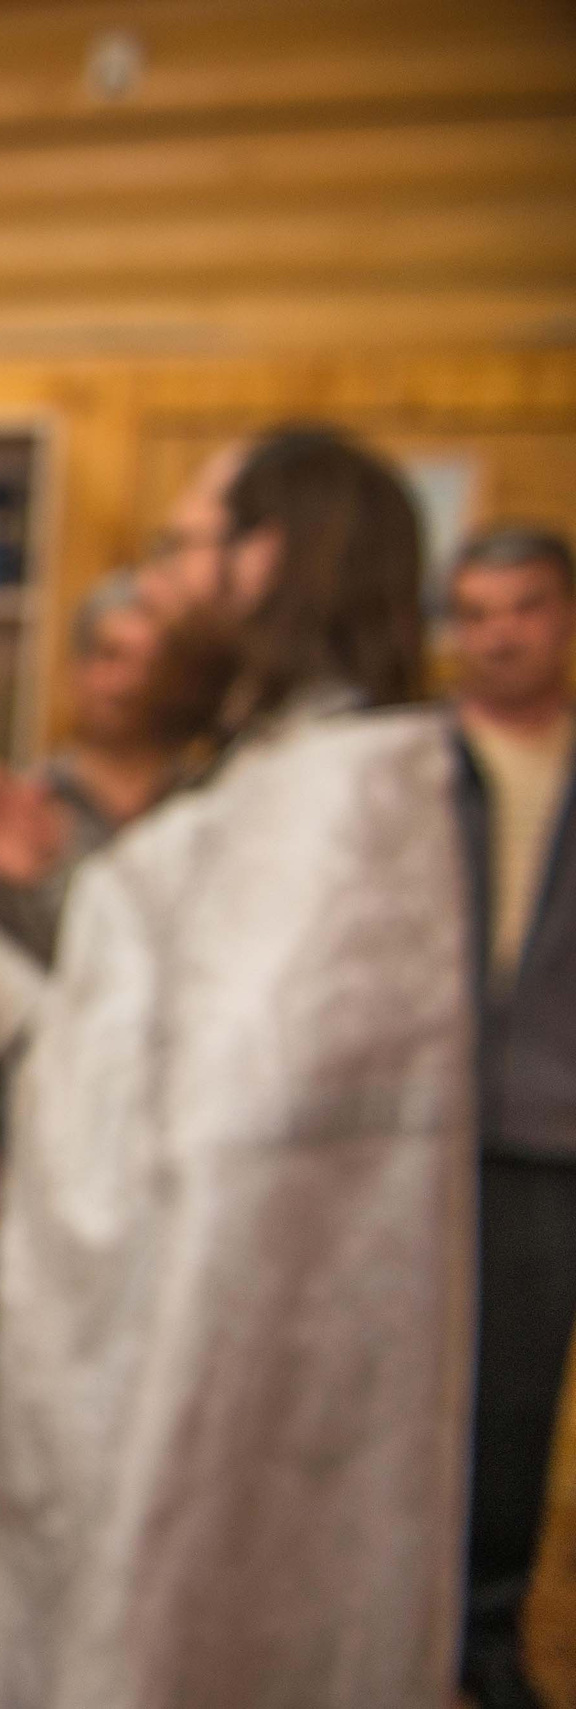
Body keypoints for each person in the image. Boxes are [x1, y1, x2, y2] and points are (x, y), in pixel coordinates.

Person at [0, 425, 476, 1708]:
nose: (153, 587)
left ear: (267, 560)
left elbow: (155, 1144)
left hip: (195, 1421)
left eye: (177, 549)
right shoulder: (357, 787)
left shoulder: (296, 817)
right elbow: (177, 1039)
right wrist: (59, 881)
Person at [0, 568, 175, 1630]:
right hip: (32, 1110)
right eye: (102, 655)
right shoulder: (30, 803)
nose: (118, 680)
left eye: (142, 659)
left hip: (155, 1124)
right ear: (77, 669)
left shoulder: (202, 803)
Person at [446, 523, 576, 1709]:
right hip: (411, 1130)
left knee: (516, 1399)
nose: (500, 631)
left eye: (524, 605)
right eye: (476, 609)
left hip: (546, 1136)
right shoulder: (416, 764)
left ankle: (487, 1629)